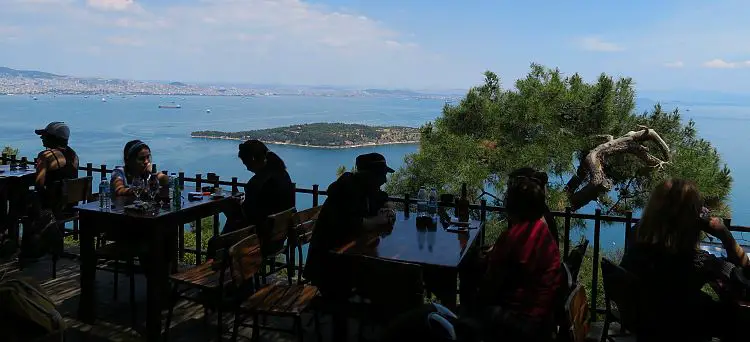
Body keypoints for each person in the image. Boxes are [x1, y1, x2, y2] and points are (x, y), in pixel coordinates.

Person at [620, 179, 750, 342]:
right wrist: (725, 235)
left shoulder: (636, 243)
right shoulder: (698, 262)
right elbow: (744, 277)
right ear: (693, 219)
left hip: (648, 328)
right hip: (685, 328)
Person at [304, 152, 397, 342]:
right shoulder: (346, 191)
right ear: (368, 175)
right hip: (328, 265)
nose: (385, 180)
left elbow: (382, 197)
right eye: (381, 175)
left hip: (346, 259)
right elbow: (351, 223)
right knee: (388, 280)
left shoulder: (364, 187)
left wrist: (388, 205)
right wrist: (378, 220)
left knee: (391, 277)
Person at [466, 168, 562, 342]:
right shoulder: (542, 230)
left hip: (520, 322)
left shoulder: (512, 237)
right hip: (543, 319)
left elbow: (490, 287)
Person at [33, 121, 79, 211]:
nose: (42, 137)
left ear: (53, 138)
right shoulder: (74, 155)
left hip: (52, 206)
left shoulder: (45, 155)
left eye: (45, 135)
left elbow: (39, 184)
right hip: (70, 206)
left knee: (17, 197)